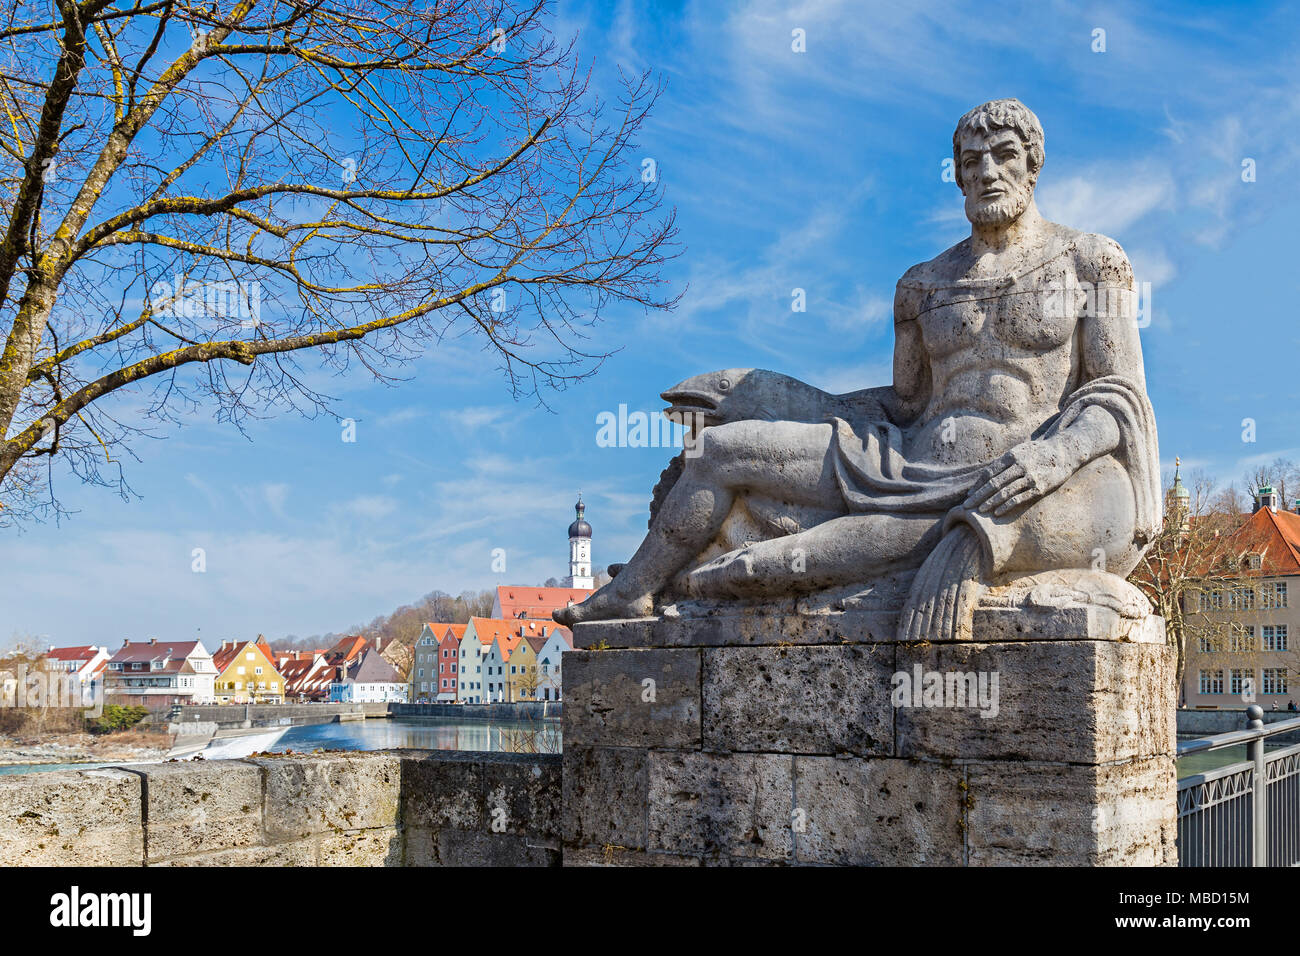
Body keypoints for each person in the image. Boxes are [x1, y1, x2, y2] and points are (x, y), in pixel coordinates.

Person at [558, 99, 1159, 642]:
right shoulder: (920, 284)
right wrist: (773, 396)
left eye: (1004, 156)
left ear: (1033, 166)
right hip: (908, 458)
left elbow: (1117, 395)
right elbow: (902, 405)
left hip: (1010, 472)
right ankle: (632, 591)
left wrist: (1052, 457)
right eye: (971, 162)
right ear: (957, 177)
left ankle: (716, 580)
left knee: (814, 553)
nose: (986, 172)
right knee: (716, 450)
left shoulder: (1091, 261)